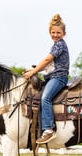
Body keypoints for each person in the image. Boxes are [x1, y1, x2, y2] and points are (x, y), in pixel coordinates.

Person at [24, 13, 69, 144]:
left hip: (59, 77)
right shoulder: (56, 45)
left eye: (58, 33)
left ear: (64, 34)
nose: (55, 35)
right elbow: (49, 65)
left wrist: (34, 71)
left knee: (46, 98)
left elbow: (47, 60)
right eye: (53, 32)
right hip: (52, 76)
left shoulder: (59, 45)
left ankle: (49, 129)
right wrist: (33, 70)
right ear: (50, 33)